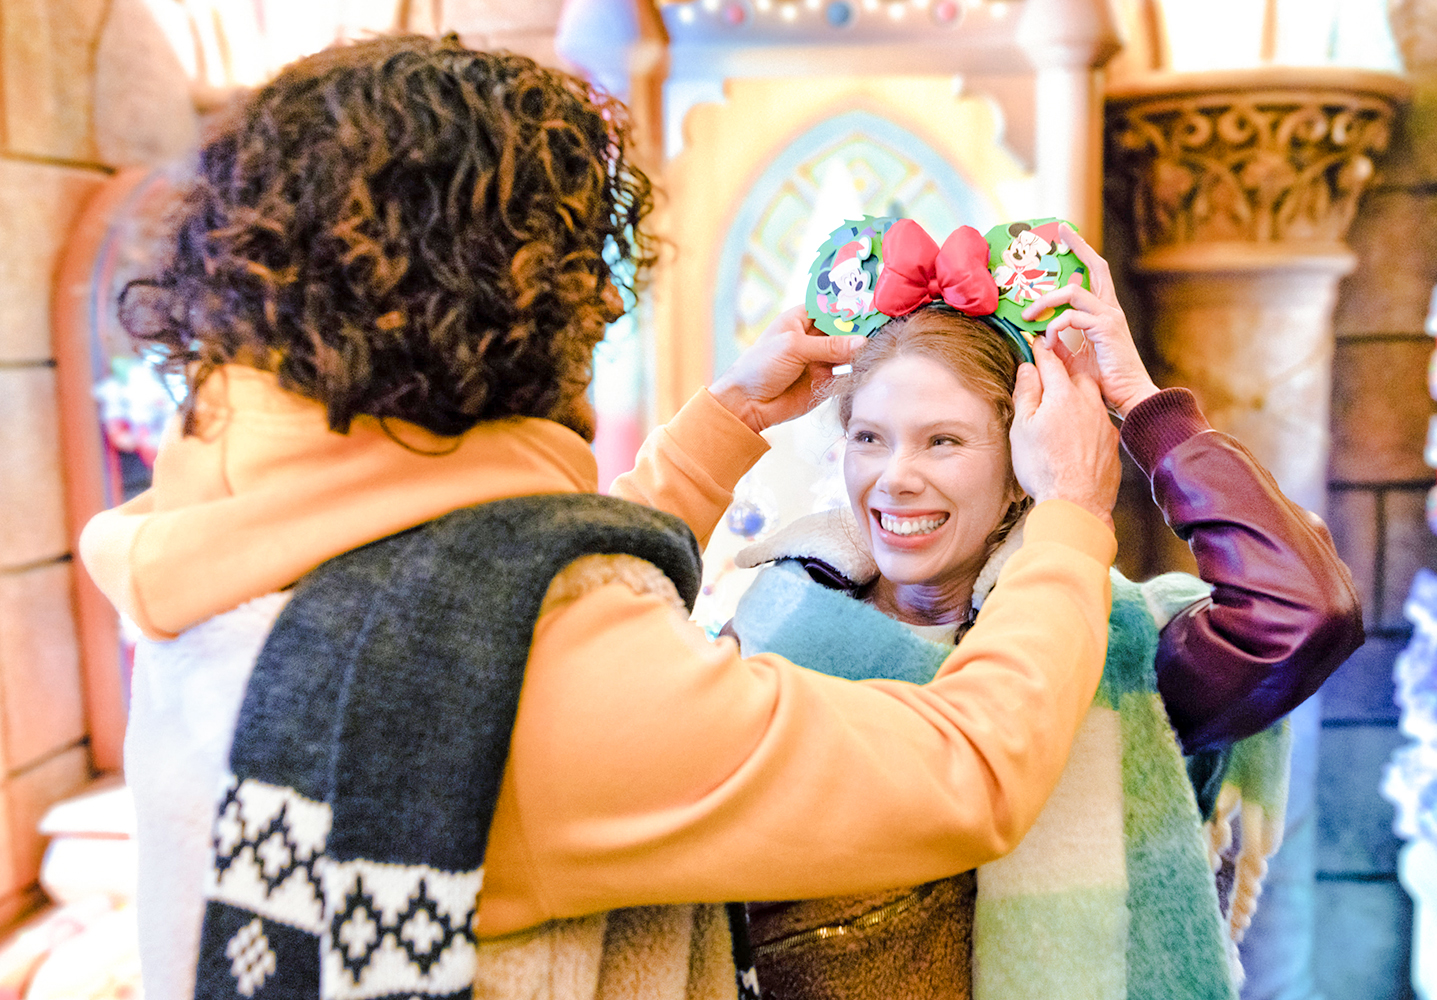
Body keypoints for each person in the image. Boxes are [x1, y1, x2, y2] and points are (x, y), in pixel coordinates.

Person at [78, 35, 1130, 1000]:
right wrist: (1076, 516)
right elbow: (967, 770)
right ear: (521, 306)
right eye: (589, 281)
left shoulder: (224, 541)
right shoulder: (522, 675)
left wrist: (723, 424)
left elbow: (486, 578)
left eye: (943, 441)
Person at [724, 221, 1363, 1000]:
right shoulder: (769, 632)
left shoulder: (1113, 649)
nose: (894, 477)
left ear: (1024, 463)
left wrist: (1142, 405)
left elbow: (1300, 610)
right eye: (870, 437)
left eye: (943, 442)